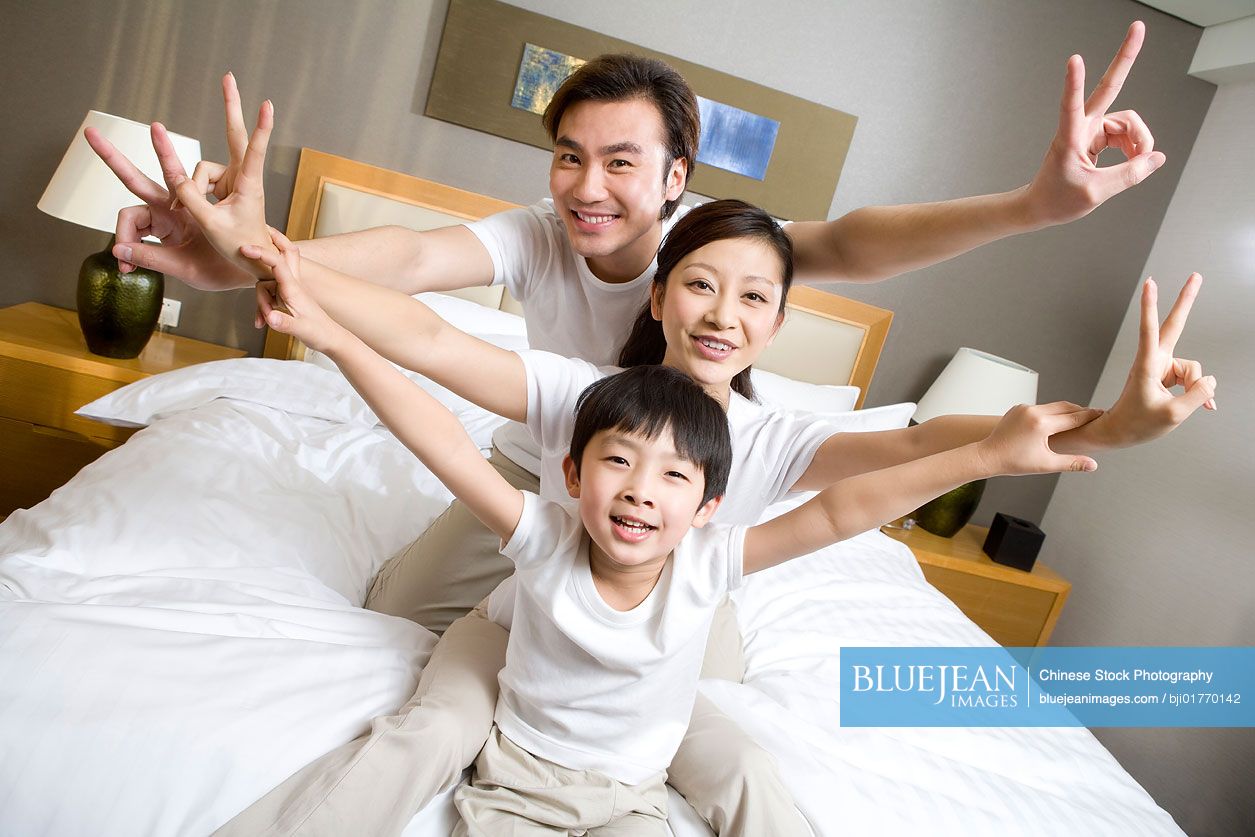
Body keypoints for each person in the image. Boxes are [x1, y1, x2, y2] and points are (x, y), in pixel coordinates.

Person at [85, 23, 1184, 835]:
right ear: (658, 302)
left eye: (622, 162)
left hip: (680, 557)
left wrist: (1040, 222)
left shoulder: (722, 270)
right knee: (411, 627)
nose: (588, 186)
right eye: (569, 156)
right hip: (537, 490)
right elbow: (416, 303)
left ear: (677, 184)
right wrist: (259, 257)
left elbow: (884, 416)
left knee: (707, 714)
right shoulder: (558, 338)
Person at [218, 198, 1210, 836]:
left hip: (657, 646)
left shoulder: (765, 455)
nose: (719, 313)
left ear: (778, 322)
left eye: (752, 296)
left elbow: (891, 467)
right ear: (660, 292)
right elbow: (431, 352)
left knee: (740, 762)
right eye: (698, 281)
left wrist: (1104, 430)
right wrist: (303, 291)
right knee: (433, 725)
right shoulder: (588, 394)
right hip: (528, 619)